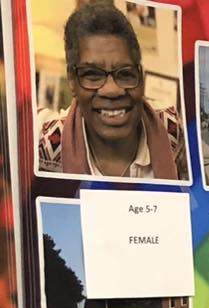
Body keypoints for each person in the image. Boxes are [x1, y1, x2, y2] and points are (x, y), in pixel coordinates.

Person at [37, 4, 187, 180]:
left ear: (140, 75)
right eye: (92, 75)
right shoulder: (44, 143)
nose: (112, 90)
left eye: (125, 74)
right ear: (72, 80)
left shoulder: (171, 129)